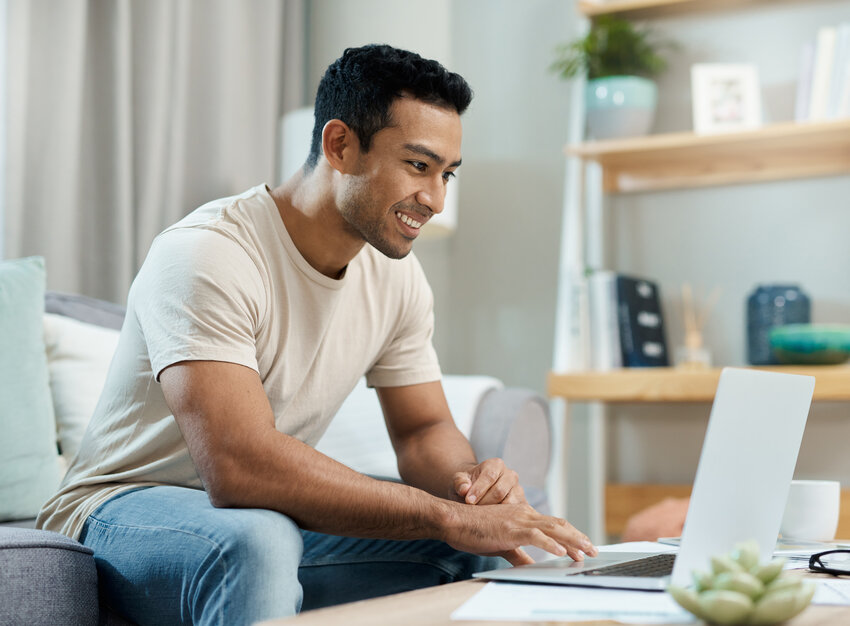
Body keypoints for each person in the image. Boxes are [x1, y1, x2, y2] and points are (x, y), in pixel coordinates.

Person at [37, 44, 597, 625]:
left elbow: (423, 430)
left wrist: (472, 494)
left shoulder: (397, 280)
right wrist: (446, 517)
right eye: (418, 166)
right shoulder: (208, 252)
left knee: (476, 548)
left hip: (259, 518)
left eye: (447, 174)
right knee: (259, 537)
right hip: (116, 512)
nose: (435, 199)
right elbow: (239, 467)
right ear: (340, 145)